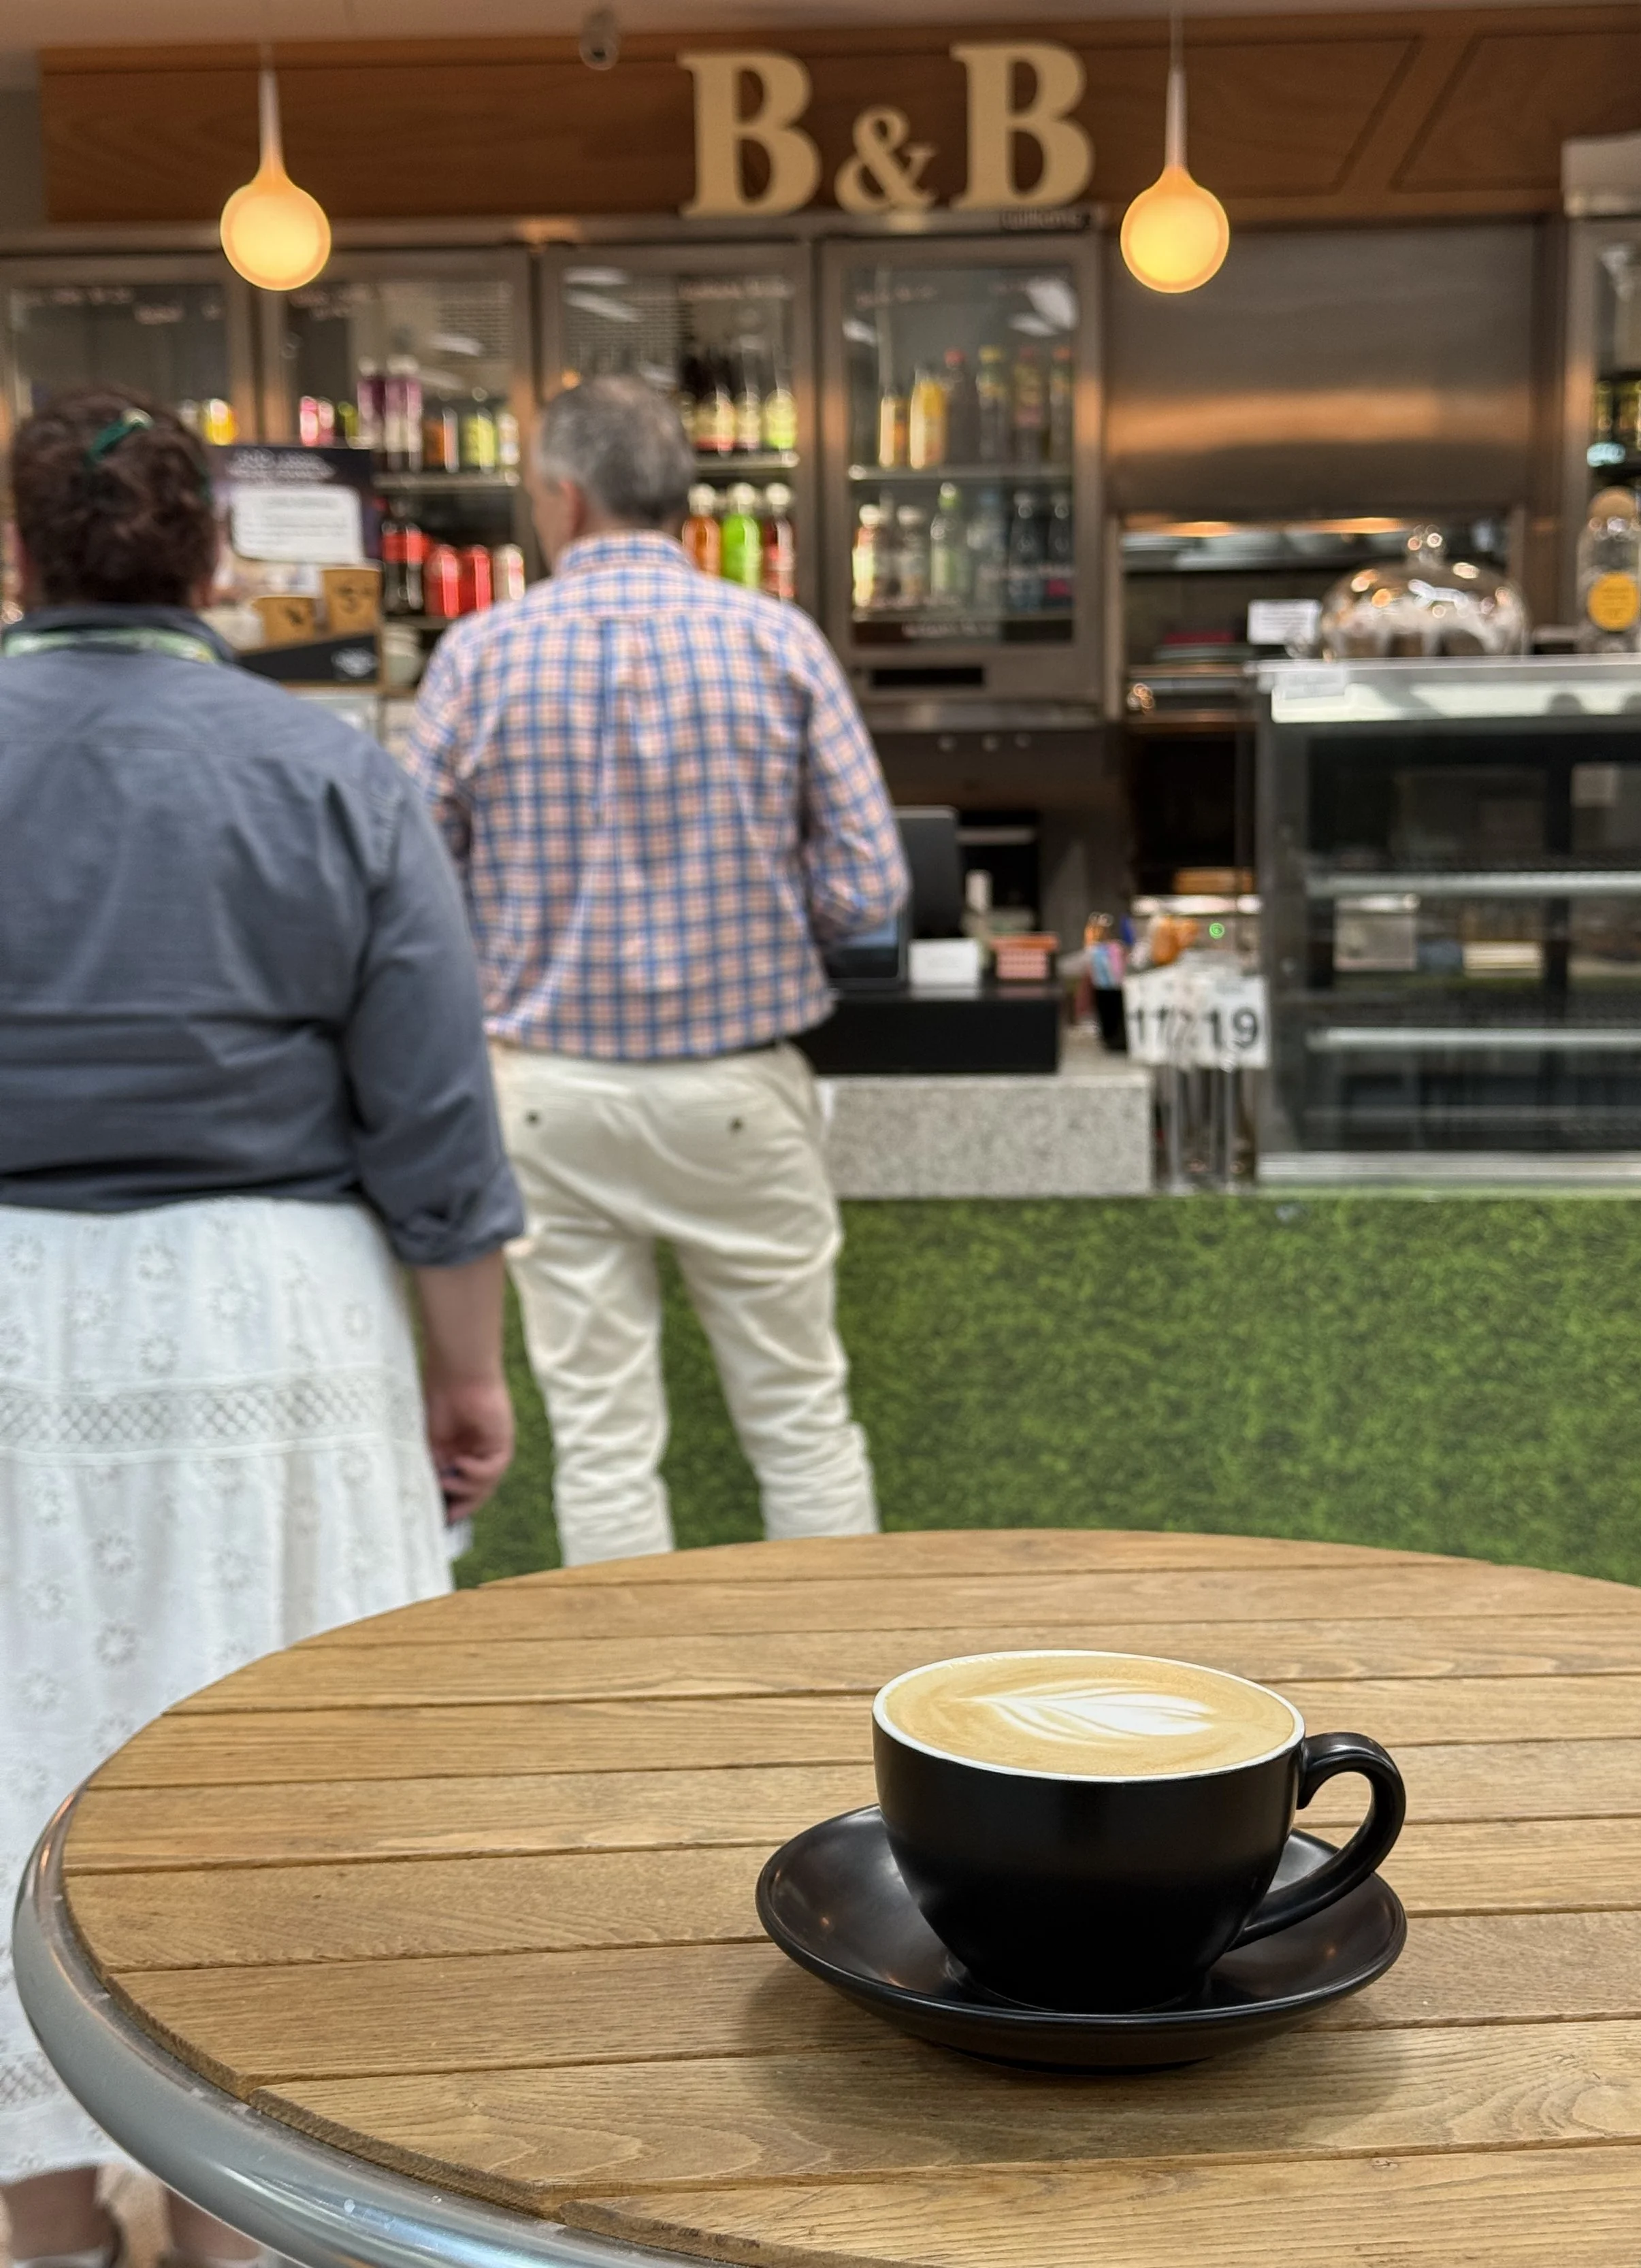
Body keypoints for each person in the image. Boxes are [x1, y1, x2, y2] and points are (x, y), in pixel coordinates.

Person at [0, 390, 523, 2265]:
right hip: (270, 1337)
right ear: (215, 559)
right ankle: (239, 2212)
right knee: (257, 1790)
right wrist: (463, 1371)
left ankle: (42, 2221)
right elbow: (432, 1118)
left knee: (10, 1754)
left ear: (16, 550)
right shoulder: (328, 772)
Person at [406, 374, 909, 1566]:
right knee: (799, 1424)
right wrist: (775, 913)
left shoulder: (478, 656)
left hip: (546, 1097)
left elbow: (411, 900)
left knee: (603, 1443)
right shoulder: (777, 642)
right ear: (677, 503)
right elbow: (873, 886)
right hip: (738, 1093)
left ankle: (630, 1718)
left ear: (565, 500)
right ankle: (845, 1698)